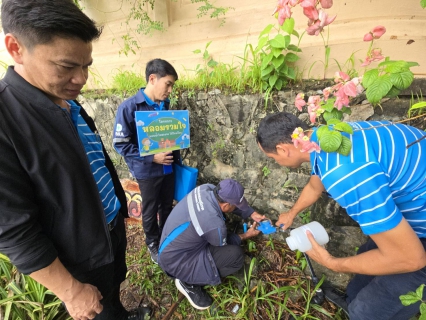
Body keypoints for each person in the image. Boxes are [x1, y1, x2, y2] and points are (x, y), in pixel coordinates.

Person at [0, 1, 150, 319]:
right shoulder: (5, 120)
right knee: (99, 309)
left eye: (86, 66)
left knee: (112, 293)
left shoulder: (63, 99)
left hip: (108, 232)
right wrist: (71, 291)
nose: (81, 79)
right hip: (76, 261)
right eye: (67, 66)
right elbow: (13, 230)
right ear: (16, 48)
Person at [256, 112, 426, 320]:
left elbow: (412, 259)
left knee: (364, 313)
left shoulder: (344, 174)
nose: (276, 163)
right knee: (356, 288)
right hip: (414, 220)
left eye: (273, 158)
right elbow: (314, 186)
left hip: (418, 246)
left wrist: (330, 262)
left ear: (283, 149)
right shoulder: (328, 138)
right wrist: (291, 214)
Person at [157, 179, 266, 310]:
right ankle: (188, 282)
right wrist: (246, 235)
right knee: (235, 256)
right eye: (236, 206)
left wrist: (252, 213)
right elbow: (224, 244)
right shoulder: (215, 225)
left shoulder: (206, 189)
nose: (237, 208)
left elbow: (227, 207)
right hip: (176, 263)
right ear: (226, 206)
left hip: (167, 245)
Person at [113, 59, 180, 264]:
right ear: (152, 79)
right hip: (147, 172)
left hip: (168, 166)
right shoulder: (129, 108)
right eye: (167, 84)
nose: (170, 90)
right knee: (150, 210)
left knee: (166, 205)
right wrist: (152, 157)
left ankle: (166, 238)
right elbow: (120, 144)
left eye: (172, 86)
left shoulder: (165, 105)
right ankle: (152, 242)